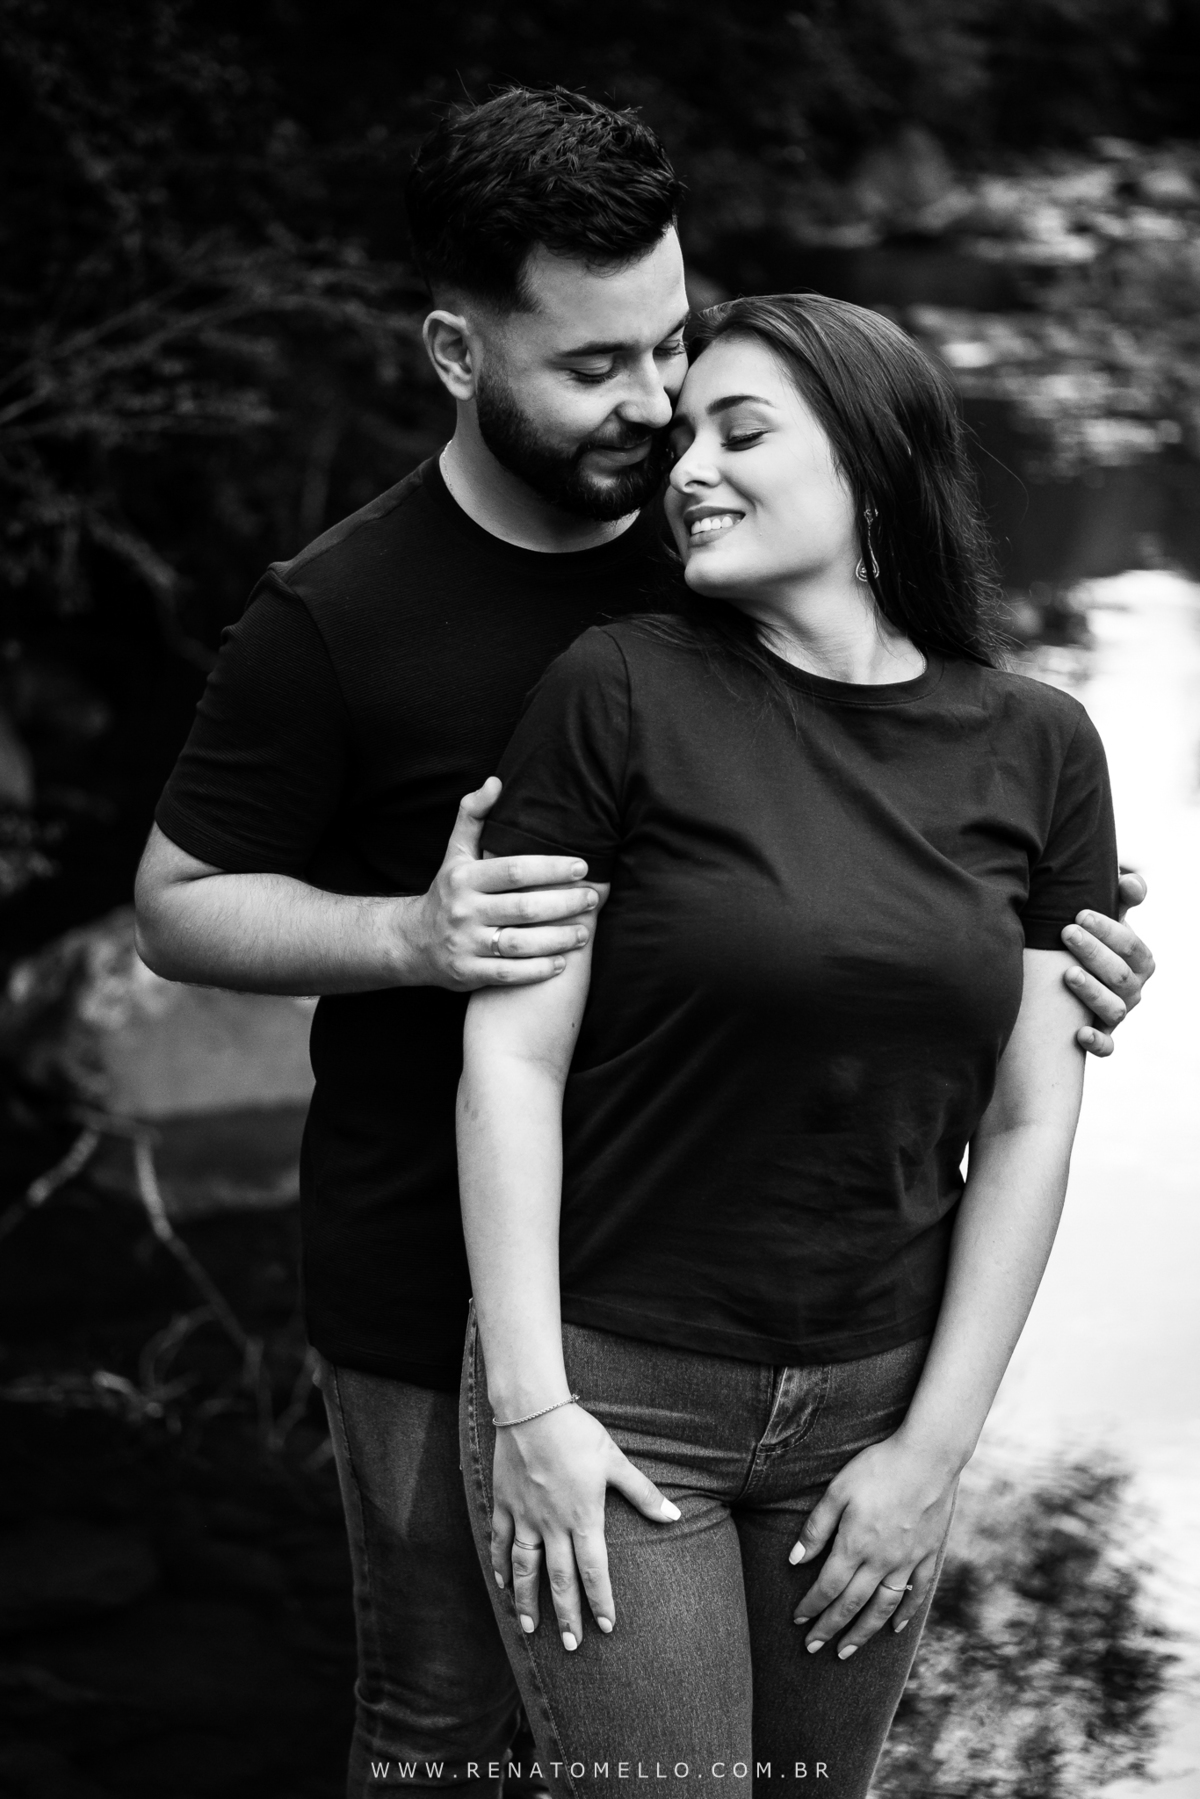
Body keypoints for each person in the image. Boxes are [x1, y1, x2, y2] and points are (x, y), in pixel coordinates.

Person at [132, 89, 1151, 1797]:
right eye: (597, 367)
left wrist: (1033, 955)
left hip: (759, 1272)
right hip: (432, 1271)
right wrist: (413, 933)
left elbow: (910, 811)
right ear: (457, 354)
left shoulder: (735, 546)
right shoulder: (343, 614)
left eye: (674, 347)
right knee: (446, 1730)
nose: (661, 411)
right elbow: (176, 906)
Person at [456, 293, 1133, 1799]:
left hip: (877, 1413)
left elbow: (1030, 1120)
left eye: (740, 432)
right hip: (616, 1394)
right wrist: (532, 1407)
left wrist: (931, 1457)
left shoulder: (1041, 745)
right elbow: (511, 1062)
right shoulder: (617, 689)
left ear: (874, 465)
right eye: (684, 438)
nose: (688, 466)